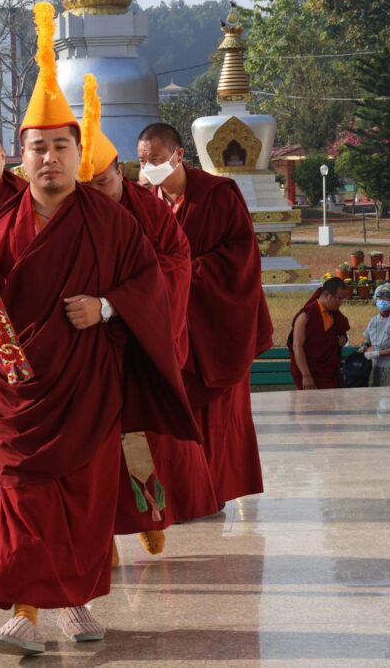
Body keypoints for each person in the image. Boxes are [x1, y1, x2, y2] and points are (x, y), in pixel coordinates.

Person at [0, 3, 199, 654]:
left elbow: (151, 287)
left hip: (87, 390)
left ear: (78, 154)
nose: (49, 158)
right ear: (20, 159)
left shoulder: (112, 224)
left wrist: (105, 307)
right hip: (20, 395)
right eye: (37, 148)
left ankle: (73, 602)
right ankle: (25, 614)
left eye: (60, 146)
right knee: (23, 499)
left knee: (82, 502)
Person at [77, 75, 216, 557]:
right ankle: (101, 535)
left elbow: (174, 265)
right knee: (91, 438)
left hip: (139, 340)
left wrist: (113, 303)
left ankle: (147, 517)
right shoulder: (73, 212)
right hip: (86, 343)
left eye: (103, 181)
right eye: (87, 185)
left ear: (120, 170)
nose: (97, 192)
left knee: (139, 432)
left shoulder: (148, 211)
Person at [137, 122, 273, 506]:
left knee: (218, 420)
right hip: (172, 330)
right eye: (143, 161)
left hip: (218, 328)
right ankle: (182, 494)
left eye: (156, 159)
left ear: (179, 155)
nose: (148, 168)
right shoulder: (145, 202)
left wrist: (184, 273)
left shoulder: (217, 194)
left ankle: (214, 493)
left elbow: (242, 257)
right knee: (174, 419)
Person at [288, 277, 351, 390]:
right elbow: (297, 347)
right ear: (327, 295)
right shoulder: (305, 316)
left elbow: (341, 333)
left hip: (330, 372)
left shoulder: (335, 314)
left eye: (343, 299)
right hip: (311, 371)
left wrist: (343, 338)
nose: (341, 302)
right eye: (339, 298)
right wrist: (306, 375)